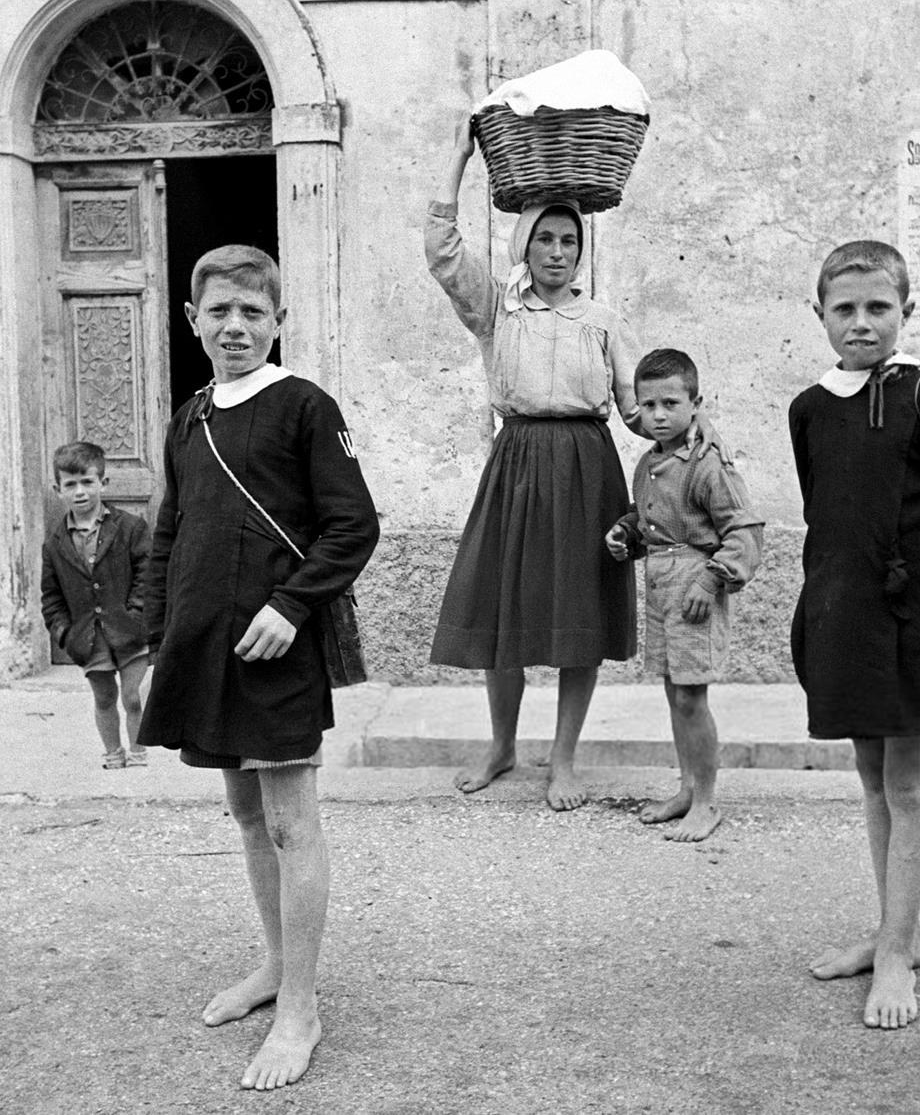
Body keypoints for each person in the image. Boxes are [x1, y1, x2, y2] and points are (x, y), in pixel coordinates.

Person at [425, 121, 727, 811]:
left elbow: (635, 407)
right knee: (503, 613)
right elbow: (442, 252)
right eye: (545, 238)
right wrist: (458, 158)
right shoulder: (496, 309)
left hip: (587, 470)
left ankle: (563, 760)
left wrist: (693, 434)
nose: (558, 251)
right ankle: (503, 746)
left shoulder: (602, 319)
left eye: (569, 240)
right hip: (516, 467)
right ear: (523, 244)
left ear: (580, 250)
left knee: (577, 617)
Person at [137, 244, 379, 1090]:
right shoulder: (191, 415)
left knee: (288, 820)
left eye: (253, 312)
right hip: (206, 648)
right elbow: (172, 536)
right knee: (244, 815)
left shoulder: (304, 405)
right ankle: (277, 966)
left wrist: (289, 607)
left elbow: (353, 525)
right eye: (219, 312)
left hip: (277, 646)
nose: (235, 326)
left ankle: (302, 1010)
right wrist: (151, 640)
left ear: (279, 321)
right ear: (192, 321)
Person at [789, 238, 920, 1030]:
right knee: (873, 785)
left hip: (912, 618)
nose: (862, 324)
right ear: (821, 317)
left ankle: (901, 956)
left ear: (907, 310)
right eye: (846, 309)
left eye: (879, 307)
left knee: (909, 789)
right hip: (845, 612)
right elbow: (824, 511)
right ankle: (891, 931)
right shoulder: (809, 407)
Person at [605, 349, 763, 842]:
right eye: (648, 404)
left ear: (697, 403)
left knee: (693, 697)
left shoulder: (708, 464)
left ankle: (708, 801)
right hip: (660, 585)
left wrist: (711, 580)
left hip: (696, 587)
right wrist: (625, 533)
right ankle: (687, 789)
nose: (658, 415)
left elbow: (745, 532)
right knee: (675, 693)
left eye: (671, 403)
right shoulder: (649, 462)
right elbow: (650, 516)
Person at [41, 441, 150, 769]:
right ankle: (113, 755)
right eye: (70, 485)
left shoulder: (131, 527)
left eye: (87, 482)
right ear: (58, 489)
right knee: (104, 698)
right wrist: (65, 634)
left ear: (103, 483)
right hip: (89, 637)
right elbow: (51, 598)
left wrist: (136, 616)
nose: (80, 492)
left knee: (133, 696)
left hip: (129, 630)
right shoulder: (55, 543)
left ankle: (139, 755)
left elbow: (148, 575)